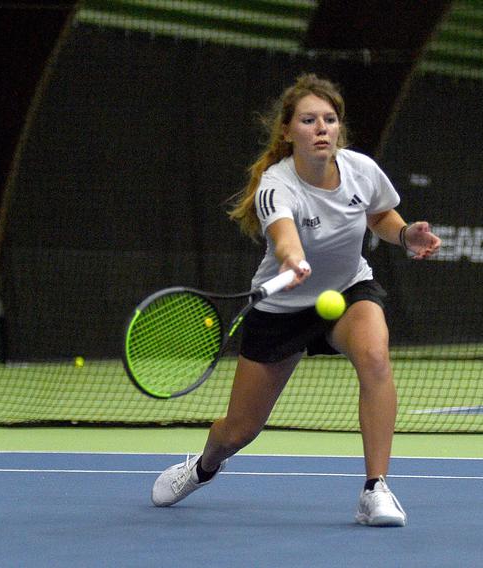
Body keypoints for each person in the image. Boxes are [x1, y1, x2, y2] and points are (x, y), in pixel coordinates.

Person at [150, 73, 440, 526]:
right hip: (282, 309)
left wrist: (404, 234)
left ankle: (375, 489)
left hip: (347, 292)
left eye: (329, 119)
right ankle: (203, 467)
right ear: (288, 132)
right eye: (309, 120)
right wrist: (294, 259)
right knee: (239, 430)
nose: (322, 128)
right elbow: (283, 237)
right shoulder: (275, 184)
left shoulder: (360, 169)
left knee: (376, 357)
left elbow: (379, 214)